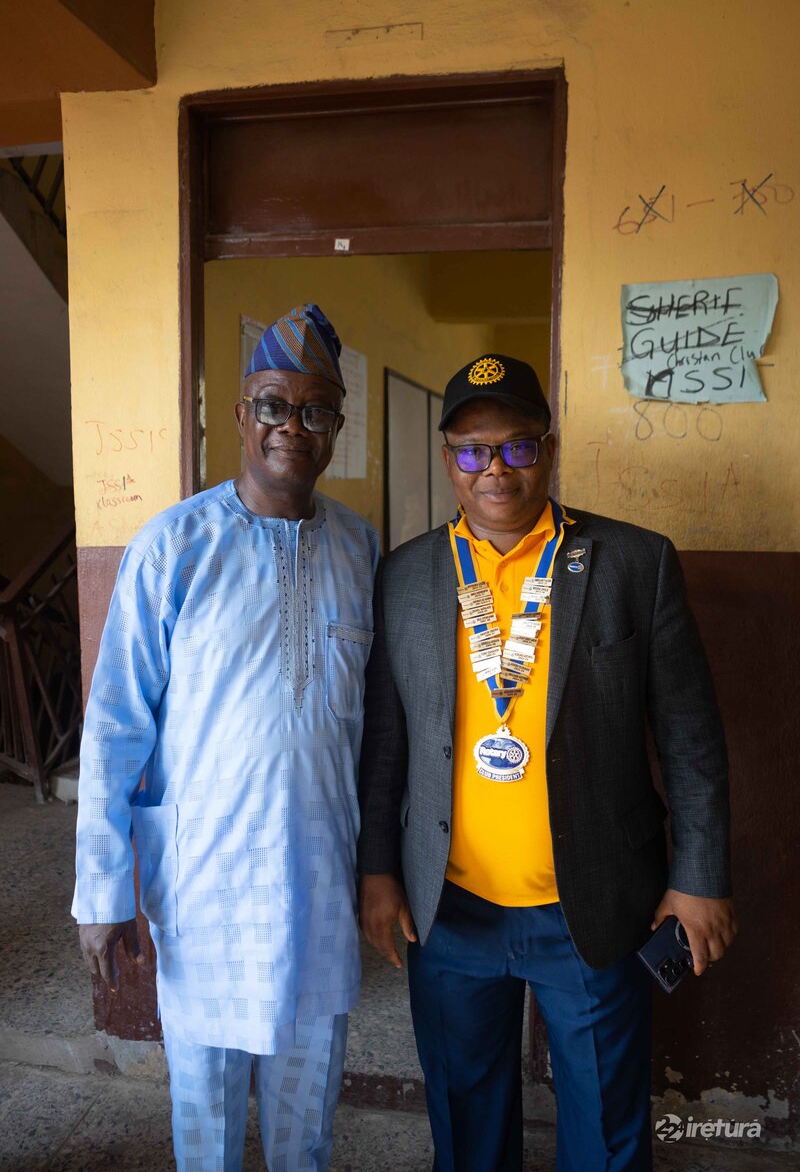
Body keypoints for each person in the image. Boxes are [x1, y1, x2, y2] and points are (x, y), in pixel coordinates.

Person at [357, 354, 737, 1172]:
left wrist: (699, 875)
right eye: (472, 449)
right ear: (450, 459)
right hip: (449, 910)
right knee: (465, 1123)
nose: (495, 468)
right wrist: (380, 872)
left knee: (605, 1131)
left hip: (593, 909)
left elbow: (691, 739)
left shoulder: (633, 563)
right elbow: (387, 745)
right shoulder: (407, 576)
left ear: (548, 450)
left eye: (517, 447)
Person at [73, 303, 379, 1172]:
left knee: (306, 1125)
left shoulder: (360, 549)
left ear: (336, 428)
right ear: (242, 416)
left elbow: (377, 729)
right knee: (203, 1128)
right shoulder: (173, 545)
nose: (293, 426)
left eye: (315, 409)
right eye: (274, 405)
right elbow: (116, 724)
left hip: (319, 881)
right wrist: (103, 887)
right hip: (205, 886)